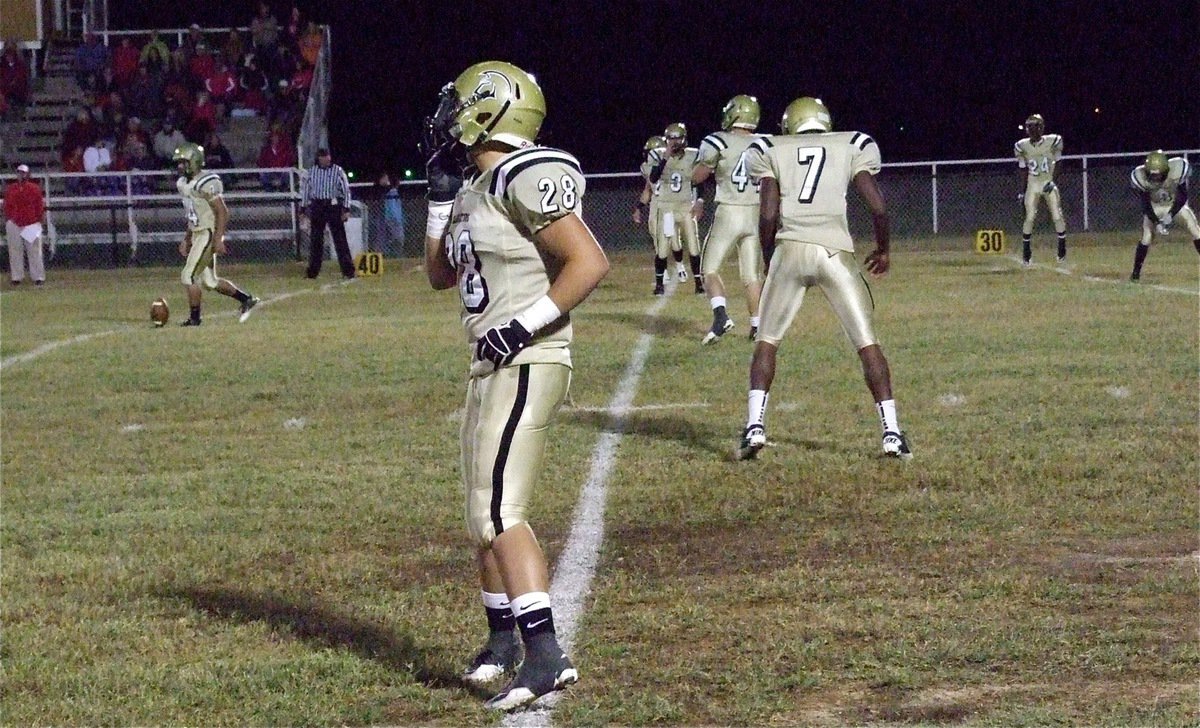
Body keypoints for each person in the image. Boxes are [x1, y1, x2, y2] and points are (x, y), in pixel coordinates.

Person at [422, 60, 609, 712]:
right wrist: (440, 202)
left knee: (502, 512)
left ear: (491, 108)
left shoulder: (523, 172)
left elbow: (588, 260)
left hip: (527, 356)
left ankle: (546, 654)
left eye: (458, 104)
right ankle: (502, 641)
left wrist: (521, 326)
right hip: (490, 361)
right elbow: (440, 276)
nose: (447, 116)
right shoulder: (477, 185)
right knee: (482, 515)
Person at [735, 97, 911, 462]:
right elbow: (877, 205)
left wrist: (770, 259)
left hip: (790, 249)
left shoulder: (771, 148)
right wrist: (883, 250)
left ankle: (754, 426)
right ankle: (892, 432)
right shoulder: (850, 144)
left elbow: (767, 215)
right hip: (834, 253)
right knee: (867, 343)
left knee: (767, 341)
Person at [692, 94, 766, 344]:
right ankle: (757, 326)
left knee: (709, 269)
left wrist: (702, 167)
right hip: (755, 212)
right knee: (751, 275)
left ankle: (721, 316)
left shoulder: (718, 141)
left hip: (730, 211)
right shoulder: (765, 142)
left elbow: (697, 176)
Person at [171, 142, 260, 325]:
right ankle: (246, 299)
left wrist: (218, 239)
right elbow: (193, 215)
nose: (180, 166)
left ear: (194, 161)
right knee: (210, 282)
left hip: (207, 234)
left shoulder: (206, 182)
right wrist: (187, 238)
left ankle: (195, 319)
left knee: (188, 276)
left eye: (183, 162)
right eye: (179, 162)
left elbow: (222, 212)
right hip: (197, 233)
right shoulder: (183, 183)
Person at [1128, 151, 1200, 282]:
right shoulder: (1141, 178)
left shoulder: (1177, 170)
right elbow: (1146, 205)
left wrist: (1170, 215)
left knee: (1195, 229)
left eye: (1158, 175)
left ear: (1166, 170)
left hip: (1174, 205)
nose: (1156, 179)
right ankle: (1135, 273)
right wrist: (1157, 222)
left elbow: (1183, 197)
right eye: (1152, 175)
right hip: (1154, 207)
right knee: (1146, 237)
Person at [649, 122, 704, 294]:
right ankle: (659, 285)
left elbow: (698, 179)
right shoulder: (658, 155)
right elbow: (653, 177)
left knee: (693, 245)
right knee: (663, 247)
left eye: (678, 138)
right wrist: (665, 158)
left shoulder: (692, 155)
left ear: (684, 139)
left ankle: (699, 283)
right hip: (667, 208)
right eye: (671, 139)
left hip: (685, 206)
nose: (674, 142)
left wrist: (700, 200)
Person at [1014, 113, 1067, 266]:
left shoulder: (1052, 141)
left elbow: (1059, 162)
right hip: (1033, 183)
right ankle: (1026, 252)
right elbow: (1023, 169)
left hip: (1047, 181)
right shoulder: (1021, 146)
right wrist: (1022, 190)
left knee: (1057, 215)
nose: (1032, 130)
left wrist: (1052, 181)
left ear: (1041, 127)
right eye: (1030, 127)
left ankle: (1062, 248)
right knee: (1029, 217)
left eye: (1035, 127)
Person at [300, 147, 355, 279]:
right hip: (318, 206)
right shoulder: (311, 172)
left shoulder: (338, 171)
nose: (327, 159)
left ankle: (348, 271)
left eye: (328, 156)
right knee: (316, 240)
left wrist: (346, 208)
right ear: (319, 158)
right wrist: (303, 208)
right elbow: (306, 191)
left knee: (340, 239)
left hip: (333, 206)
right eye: (324, 157)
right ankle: (313, 271)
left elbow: (346, 190)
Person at [632, 134, 673, 295]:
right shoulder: (649, 166)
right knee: (657, 235)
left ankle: (675, 270)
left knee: (668, 238)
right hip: (658, 202)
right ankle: (665, 273)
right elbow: (649, 189)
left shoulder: (670, 163)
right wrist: (639, 207)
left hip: (669, 202)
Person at [4, 164, 47, 286]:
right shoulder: (11, 189)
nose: (20, 175)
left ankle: (38, 276)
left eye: (23, 173)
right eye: (19, 172)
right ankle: (16, 277)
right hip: (15, 222)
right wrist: (9, 218)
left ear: (28, 174)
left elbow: (39, 205)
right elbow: (7, 205)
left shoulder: (34, 188)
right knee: (15, 250)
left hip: (31, 223)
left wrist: (39, 220)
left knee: (34, 251)